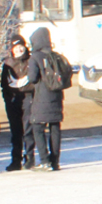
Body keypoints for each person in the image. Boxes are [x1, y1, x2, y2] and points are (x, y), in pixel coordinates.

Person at [24, 27, 65, 171]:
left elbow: (33, 78)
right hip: (57, 96)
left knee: (37, 127)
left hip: (41, 98)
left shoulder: (35, 57)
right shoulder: (54, 55)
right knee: (55, 128)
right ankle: (55, 161)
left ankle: (44, 161)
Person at [0, 33, 34, 170]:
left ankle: (30, 157)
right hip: (13, 101)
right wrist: (8, 100)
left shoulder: (31, 61)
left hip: (28, 99)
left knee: (28, 130)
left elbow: (34, 82)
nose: (19, 49)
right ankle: (16, 160)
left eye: (21, 46)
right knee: (16, 132)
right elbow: (3, 85)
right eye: (16, 47)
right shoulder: (8, 63)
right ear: (11, 49)